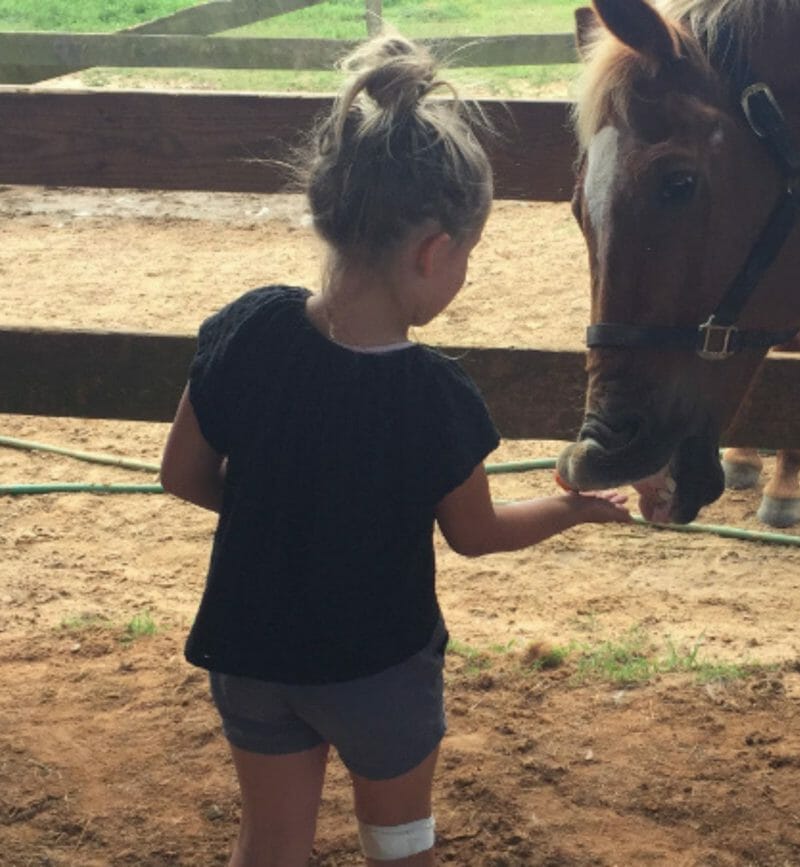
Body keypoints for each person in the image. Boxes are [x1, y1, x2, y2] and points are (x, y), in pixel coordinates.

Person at [159, 30, 630, 867]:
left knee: (268, 844)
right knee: (399, 842)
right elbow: (476, 533)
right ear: (433, 251)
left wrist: (285, 509)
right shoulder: (434, 397)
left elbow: (182, 472)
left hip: (250, 656)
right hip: (379, 671)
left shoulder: (247, 327)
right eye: (468, 256)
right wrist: (571, 508)